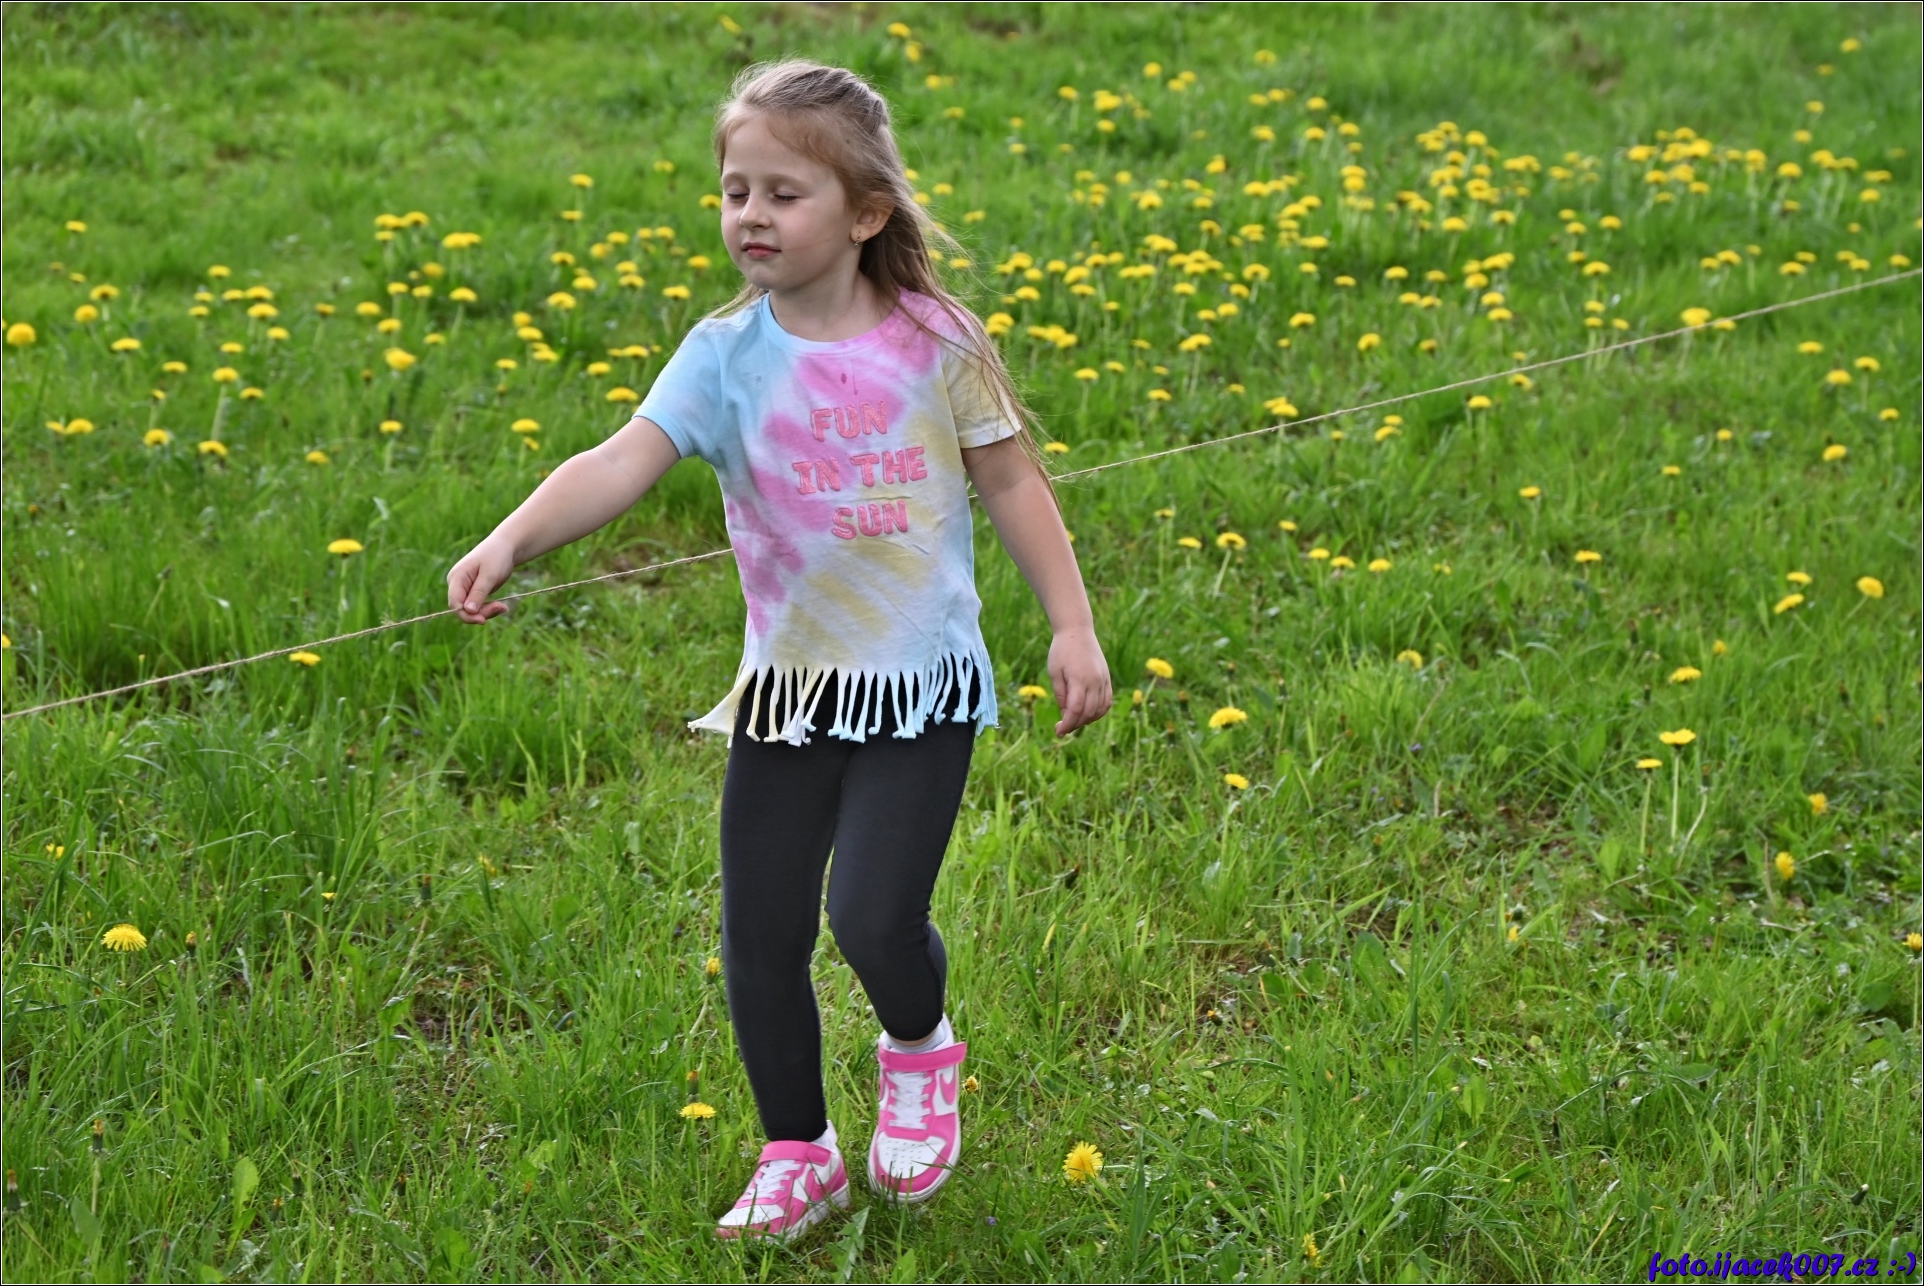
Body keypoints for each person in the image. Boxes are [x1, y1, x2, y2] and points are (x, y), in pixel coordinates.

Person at [446, 58, 1112, 1243]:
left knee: (871, 917)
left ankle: (920, 1048)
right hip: (789, 694)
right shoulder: (724, 356)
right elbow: (621, 458)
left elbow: (1011, 479)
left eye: (782, 194)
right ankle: (798, 1151)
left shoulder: (935, 340)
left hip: (918, 688)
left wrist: (1071, 622)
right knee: (758, 936)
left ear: (864, 213)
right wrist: (512, 537)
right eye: (734, 190)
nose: (750, 214)